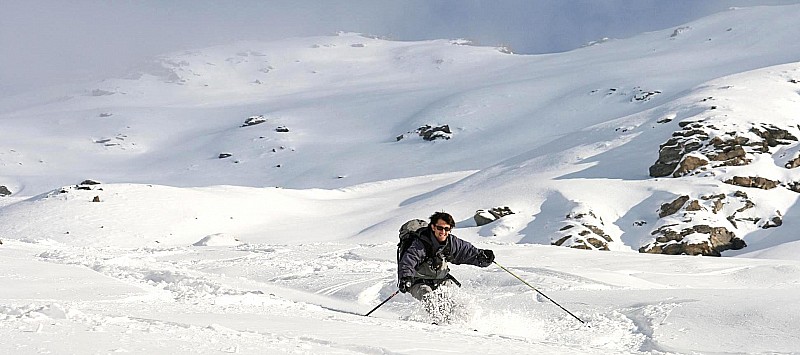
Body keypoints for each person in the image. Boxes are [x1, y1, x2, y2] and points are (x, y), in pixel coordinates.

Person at [397, 211, 495, 301]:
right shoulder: (420, 244)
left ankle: (462, 315)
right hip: (418, 282)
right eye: (440, 228)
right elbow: (409, 261)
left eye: (446, 229)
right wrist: (406, 277)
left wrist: (482, 257)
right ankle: (435, 315)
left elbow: (467, 252)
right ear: (433, 227)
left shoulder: (452, 243)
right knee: (429, 298)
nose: (443, 232)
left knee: (455, 299)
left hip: (442, 279)